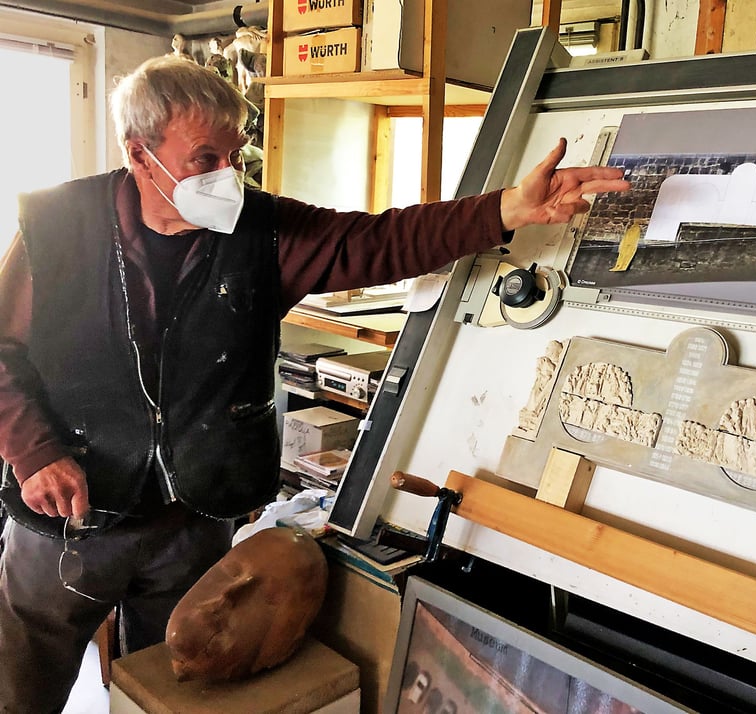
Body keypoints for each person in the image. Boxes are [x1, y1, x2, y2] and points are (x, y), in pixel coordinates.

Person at [0, 54, 628, 711]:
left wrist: (507, 209)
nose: (227, 177)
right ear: (138, 153)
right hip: (70, 518)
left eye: (235, 157)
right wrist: (34, 451)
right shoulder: (56, 227)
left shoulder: (259, 231)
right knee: (22, 682)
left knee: (169, 692)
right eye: (204, 158)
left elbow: (380, 241)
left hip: (193, 518)